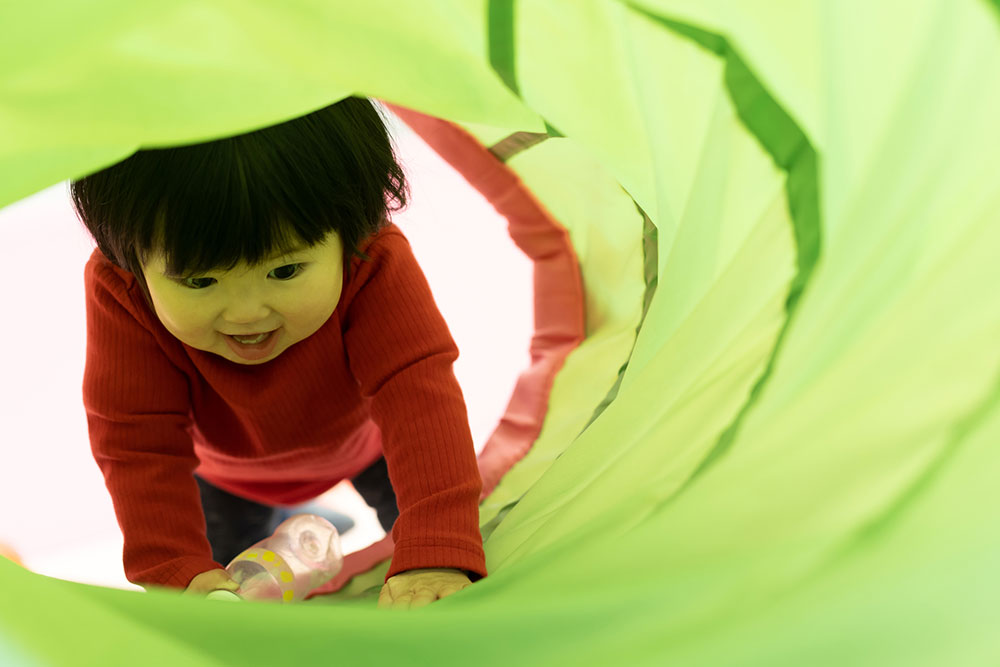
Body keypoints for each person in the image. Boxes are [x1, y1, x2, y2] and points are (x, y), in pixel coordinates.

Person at [70, 96, 486, 608]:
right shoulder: (123, 291)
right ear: (129, 261)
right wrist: (172, 568)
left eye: (285, 271)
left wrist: (436, 551)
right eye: (201, 281)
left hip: (368, 446)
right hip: (225, 475)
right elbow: (136, 439)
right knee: (222, 599)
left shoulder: (372, 259)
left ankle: (308, 525)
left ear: (350, 231)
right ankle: (298, 527)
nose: (246, 314)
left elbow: (417, 395)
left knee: (432, 556)